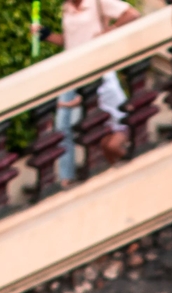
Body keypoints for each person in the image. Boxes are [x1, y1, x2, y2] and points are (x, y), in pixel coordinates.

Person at [54, 0, 139, 180]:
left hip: (96, 71)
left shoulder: (97, 2)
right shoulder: (67, 9)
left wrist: (110, 30)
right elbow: (68, 42)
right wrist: (44, 34)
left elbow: (132, 14)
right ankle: (66, 178)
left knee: (109, 145)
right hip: (74, 73)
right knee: (64, 128)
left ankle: (132, 167)